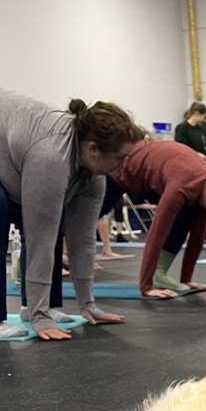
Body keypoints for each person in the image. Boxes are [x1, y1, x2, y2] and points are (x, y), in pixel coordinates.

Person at [0, 88, 142, 340]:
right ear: (93, 149)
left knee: (54, 223)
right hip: (13, 157)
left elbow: (84, 239)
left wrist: (88, 304)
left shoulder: (94, 174)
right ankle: (30, 311)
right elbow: (39, 239)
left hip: (13, 161)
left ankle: (35, 307)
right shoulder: (52, 156)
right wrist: (39, 318)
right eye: (121, 157)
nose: (125, 165)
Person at [104, 140, 206, 298]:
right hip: (123, 169)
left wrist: (187, 280)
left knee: (190, 214)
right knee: (93, 217)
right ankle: (80, 264)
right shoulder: (181, 187)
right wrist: (146, 287)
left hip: (150, 177)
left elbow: (197, 237)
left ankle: (160, 274)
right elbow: (156, 234)